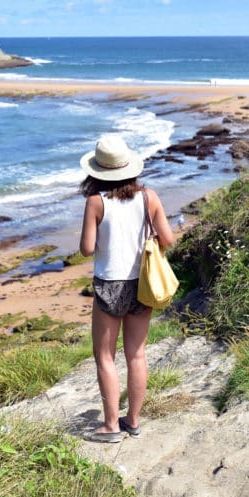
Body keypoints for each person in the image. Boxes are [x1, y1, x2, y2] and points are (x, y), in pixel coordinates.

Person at [78, 134, 175, 442]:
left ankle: (110, 426)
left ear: (97, 171)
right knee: (136, 354)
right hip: (141, 283)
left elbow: (86, 249)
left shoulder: (96, 202)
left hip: (109, 284)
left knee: (104, 356)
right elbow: (168, 240)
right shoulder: (149, 197)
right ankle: (132, 420)